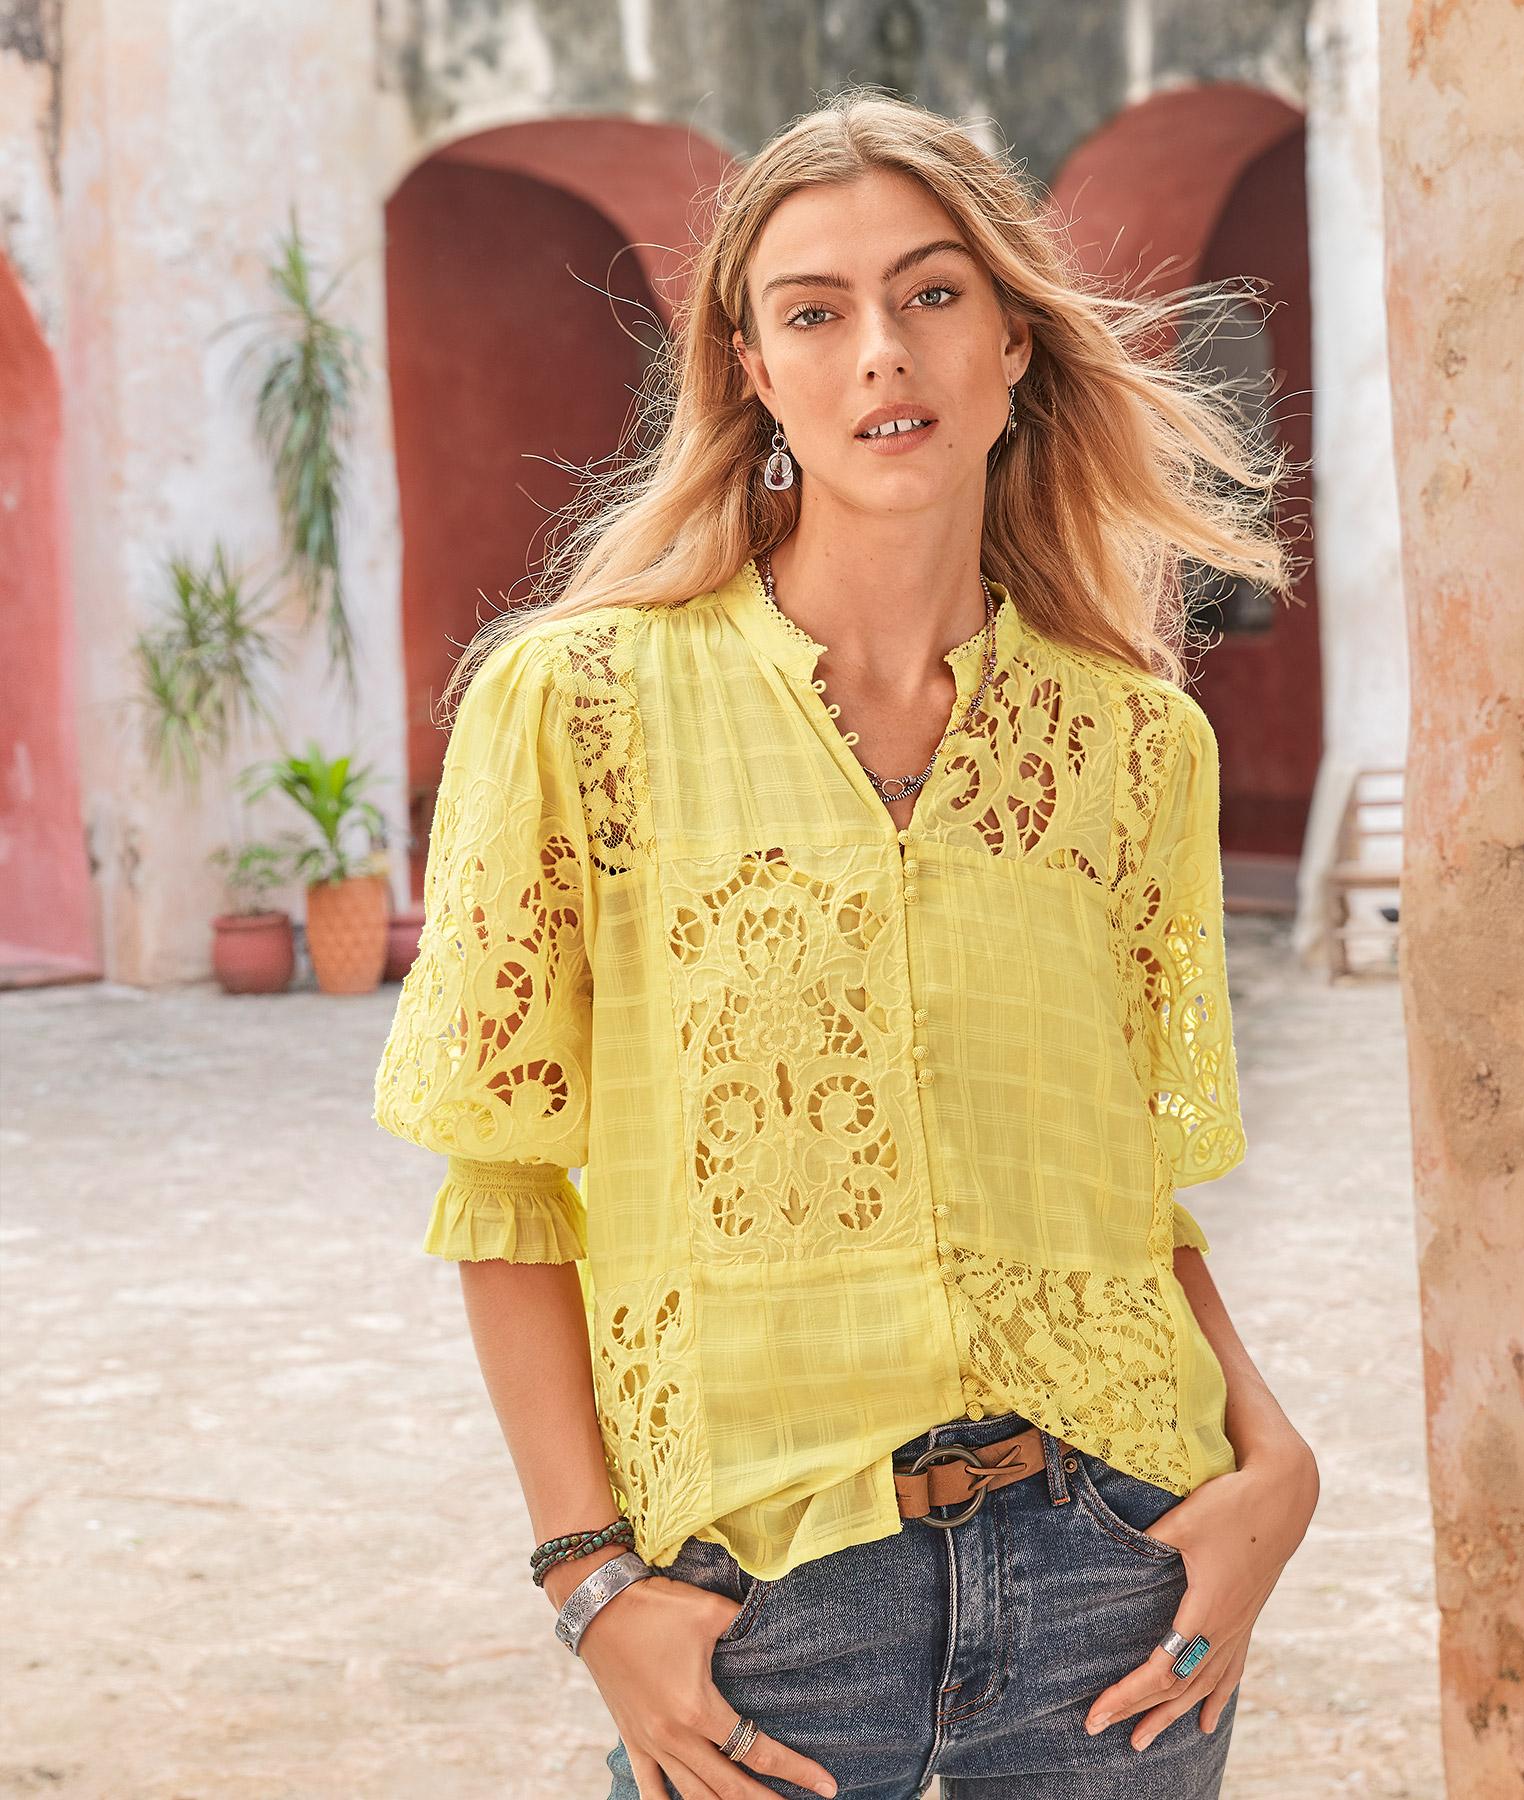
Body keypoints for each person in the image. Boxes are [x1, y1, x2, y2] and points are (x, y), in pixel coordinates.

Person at [372, 86, 1318, 1800]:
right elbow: (503, 1184)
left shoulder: (1133, 745)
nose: (883, 348)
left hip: (1121, 1563)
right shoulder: (576, 705)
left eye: (933, 292)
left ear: (1014, 341)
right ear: (751, 370)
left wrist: (1276, 1462)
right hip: (763, 1601)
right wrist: (588, 1581)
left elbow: (1127, 1192)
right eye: (815, 311)